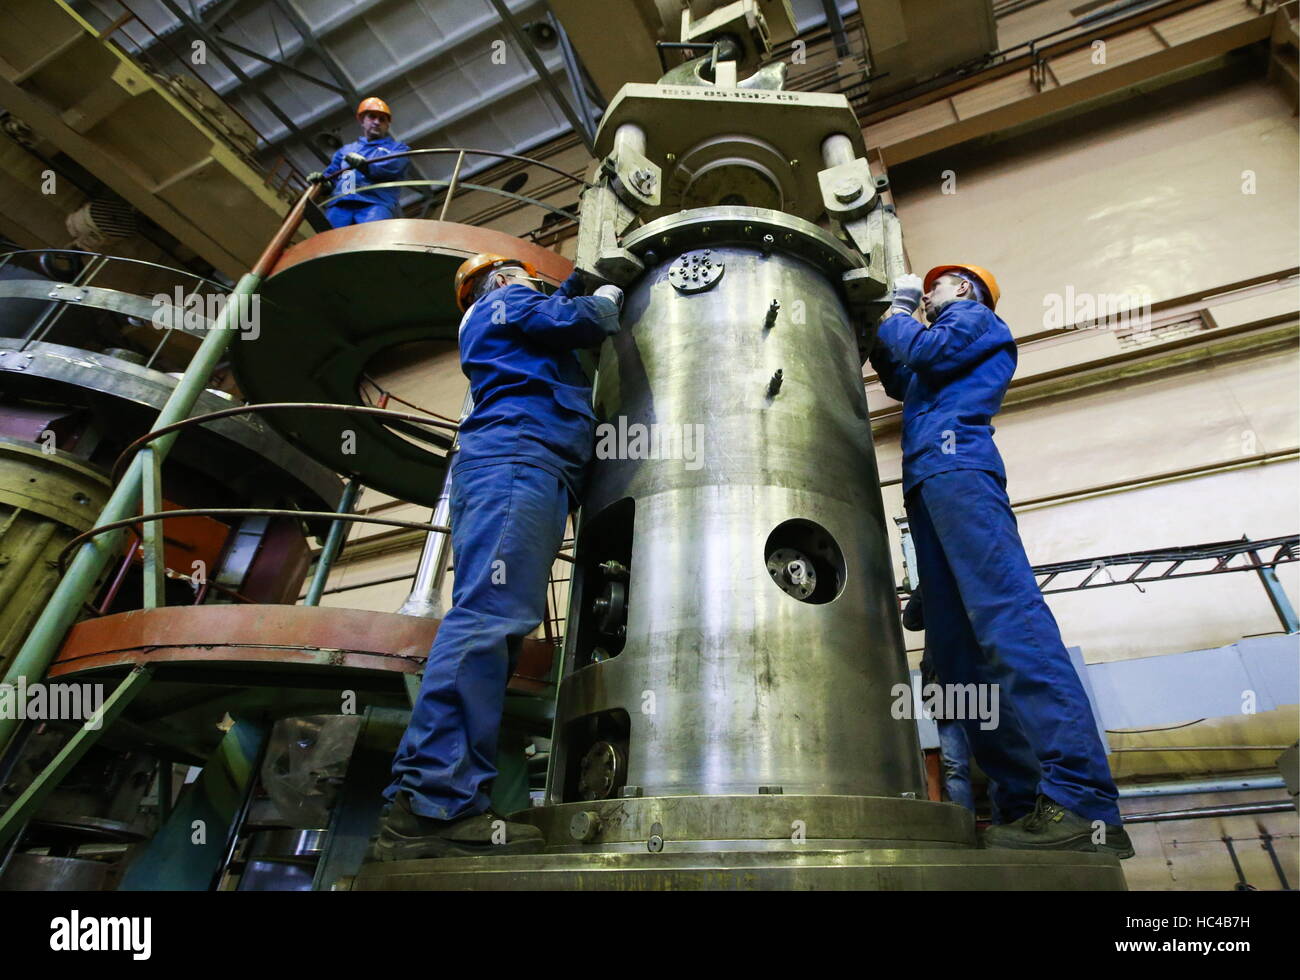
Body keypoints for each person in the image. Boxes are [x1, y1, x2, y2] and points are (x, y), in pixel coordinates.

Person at [871, 265, 1133, 858]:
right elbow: (900, 373)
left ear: (963, 287)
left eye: (936, 286)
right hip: (929, 483)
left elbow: (925, 353)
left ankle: (1084, 801)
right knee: (961, 660)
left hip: (960, 467)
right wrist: (879, 325)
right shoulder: (936, 341)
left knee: (1009, 621)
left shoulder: (973, 318)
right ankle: (1023, 804)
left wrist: (899, 310)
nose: (930, 294)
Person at [368, 254, 623, 860]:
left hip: (531, 461)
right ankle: (433, 806)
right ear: (505, 280)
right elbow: (580, 322)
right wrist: (604, 298)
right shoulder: (505, 302)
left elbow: (552, 309)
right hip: (517, 457)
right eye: (526, 279)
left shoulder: (507, 311)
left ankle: (428, 802)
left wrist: (576, 282)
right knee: (488, 619)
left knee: (497, 623)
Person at [308, 97, 411, 227]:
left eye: (382, 119)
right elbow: (332, 176)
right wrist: (323, 182)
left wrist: (365, 166)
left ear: (387, 125)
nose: (377, 122)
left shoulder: (397, 148)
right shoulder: (345, 151)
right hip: (340, 205)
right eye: (372, 117)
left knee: (370, 242)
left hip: (376, 204)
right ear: (362, 120)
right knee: (328, 243)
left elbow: (393, 167)